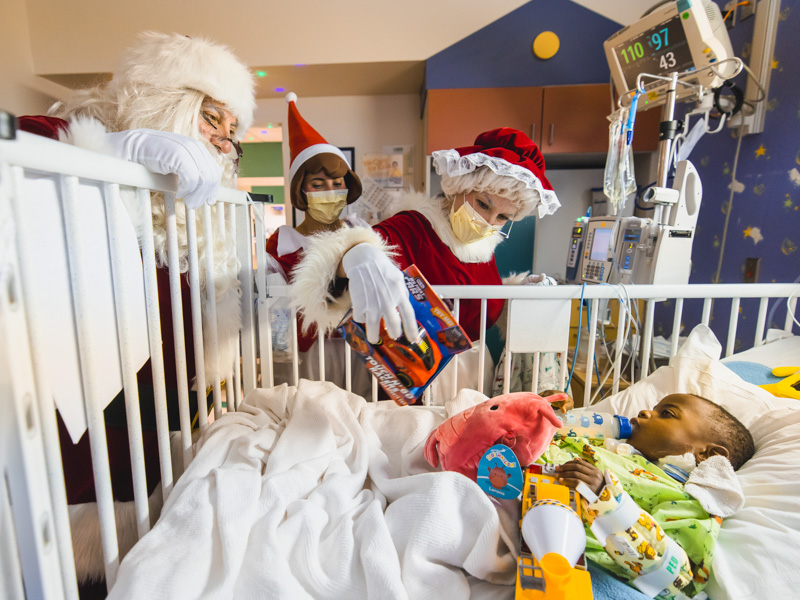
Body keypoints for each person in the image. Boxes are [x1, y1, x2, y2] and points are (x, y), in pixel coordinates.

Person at [19, 30, 255, 590]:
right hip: (79, 415)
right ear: (168, 102)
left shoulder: (205, 217)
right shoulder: (64, 137)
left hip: (158, 418)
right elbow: (19, 147)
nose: (224, 142)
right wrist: (110, 154)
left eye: (232, 133)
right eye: (211, 118)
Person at [288, 127, 561, 399]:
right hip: (416, 381)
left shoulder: (485, 246)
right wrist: (356, 252)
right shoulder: (413, 228)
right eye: (483, 204)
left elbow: (478, 304)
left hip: (474, 381)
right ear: (460, 187)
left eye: (503, 217)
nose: (489, 222)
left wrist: (517, 293)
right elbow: (346, 255)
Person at [545, 393, 755, 600]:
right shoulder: (607, 445)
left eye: (666, 413)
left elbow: (674, 572)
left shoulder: (683, 498)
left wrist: (606, 498)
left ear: (708, 454)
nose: (644, 412)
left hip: (551, 534)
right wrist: (553, 415)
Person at [264, 93, 368, 387]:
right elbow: (275, 312)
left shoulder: (360, 233)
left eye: (338, 184)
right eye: (318, 184)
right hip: (306, 358)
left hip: (360, 353)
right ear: (301, 191)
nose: (330, 192)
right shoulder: (281, 245)